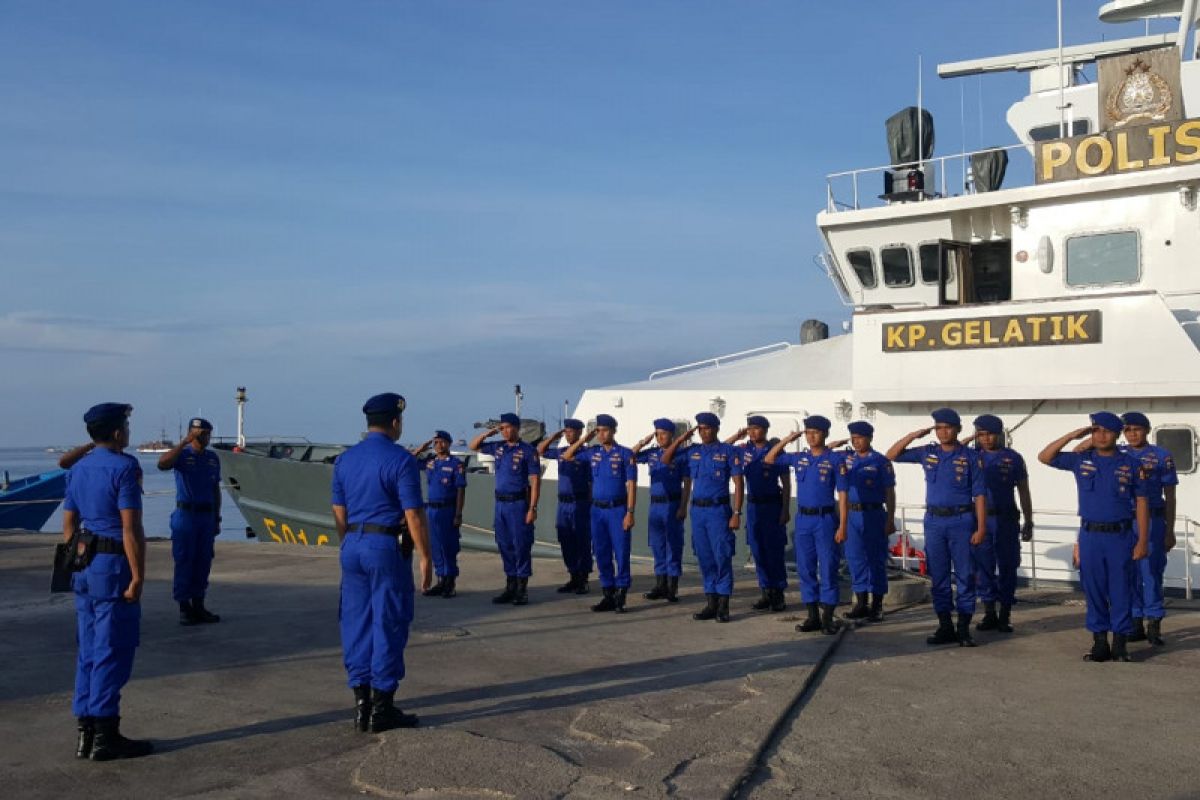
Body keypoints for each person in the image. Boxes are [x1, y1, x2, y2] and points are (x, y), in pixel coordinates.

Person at [332, 392, 432, 731]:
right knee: (388, 620)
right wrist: (426, 558)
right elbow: (413, 514)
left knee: (355, 621)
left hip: (353, 543)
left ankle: (361, 703)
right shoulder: (401, 460)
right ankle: (382, 706)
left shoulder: (345, 460)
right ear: (395, 422)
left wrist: (348, 542)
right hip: (384, 545)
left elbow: (338, 510)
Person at [62, 403, 152, 761]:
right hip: (114, 567)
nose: (128, 432)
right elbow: (130, 528)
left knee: (87, 650)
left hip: (85, 565)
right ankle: (105, 734)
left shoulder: (78, 468)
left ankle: (85, 731)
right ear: (117, 432)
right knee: (112, 651)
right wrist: (139, 576)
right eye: (126, 426)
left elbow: (69, 525)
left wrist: (74, 564)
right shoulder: (125, 468)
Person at [1040, 412, 1149, 662]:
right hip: (1090, 536)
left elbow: (1142, 503)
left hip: (1120, 536)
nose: (1100, 435)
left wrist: (1142, 540)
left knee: (1121, 590)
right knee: (1094, 590)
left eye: (1106, 431)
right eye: (1095, 430)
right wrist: (1072, 436)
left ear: (1117, 434)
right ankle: (1100, 643)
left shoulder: (1131, 465)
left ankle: (1120, 643)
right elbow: (1045, 457)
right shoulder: (1081, 460)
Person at [887, 408, 987, 647]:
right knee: (938, 575)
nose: (943, 432)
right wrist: (914, 436)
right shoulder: (927, 453)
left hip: (961, 521)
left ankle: (963, 629)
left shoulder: (971, 457)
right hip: (934, 522)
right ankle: (945, 626)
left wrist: (981, 527)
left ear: (958, 429)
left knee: (964, 576)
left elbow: (980, 495)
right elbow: (891, 454)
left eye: (947, 427)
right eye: (938, 427)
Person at [661, 412, 744, 623]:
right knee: (705, 558)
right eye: (700, 428)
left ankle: (724, 605)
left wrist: (736, 512)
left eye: (707, 428)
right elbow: (666, 458)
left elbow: (738, 483)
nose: (703, 432)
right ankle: (711, 603)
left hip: (718, 511)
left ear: (716, 429)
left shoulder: (728, 451)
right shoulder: (692, 452)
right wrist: (681, 438)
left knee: (721, 556)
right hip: (697, 512)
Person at [767, 416, 844, 631]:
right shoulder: (799, 457)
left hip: (825, 519)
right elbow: (770, 459)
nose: (811, 436)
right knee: (806, 568)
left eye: (815, 432)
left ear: (825, 434)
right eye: (807, 432)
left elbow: (843, 495)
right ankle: (812, 616)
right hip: (803, 520)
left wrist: (843, 525)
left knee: (828, 566)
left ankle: (827, 617)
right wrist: (788, 439)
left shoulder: (834, 460)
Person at [963, 415, 1034, 633]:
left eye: (990, 433)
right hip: (980, 520)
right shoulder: (971, 456)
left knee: (1007, 566)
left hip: (1006, 519)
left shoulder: (1013, 458)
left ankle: (1005, 614)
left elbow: (1023, 490)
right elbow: (954, 450)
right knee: (982, 567)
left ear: (999, 434)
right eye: (981, 434)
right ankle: (989, 613)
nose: (985, 438)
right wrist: (970, 438)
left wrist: (1029, 520)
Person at [561, 415, 637, 612]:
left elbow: (632, 485)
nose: (601, 434)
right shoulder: (592, 453)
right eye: (598, 431)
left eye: (605, 430)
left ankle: (621, 593)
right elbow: (567, 456)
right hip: (597, 510)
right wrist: (585, 438)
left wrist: (630, 512)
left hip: (617, 509)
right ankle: (608, 594)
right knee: (601, 552)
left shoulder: (625, 454)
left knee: (621, 553)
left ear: (613, 431)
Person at [469, 413, 541, 605]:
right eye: (502, 427)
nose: (505, 431)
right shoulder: (498, 447)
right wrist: (489, 433)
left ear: (517, 428)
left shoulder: (527, 451)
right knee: (504, 545)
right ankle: (510, 585)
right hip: (500, 504)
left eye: (508, 427)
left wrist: (532, 508)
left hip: (518, 504)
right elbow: (473, 446)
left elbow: (535, 481)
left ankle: (521, 588)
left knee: (521, 545)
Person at [1119, 413, 1178, 646]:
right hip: (1124, 522)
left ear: (1147, 430)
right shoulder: (1118, 455)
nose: (1132, 434)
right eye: (1127, 430)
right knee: (1129, 573)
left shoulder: (1161, 456)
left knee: (1150, 573)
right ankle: (1136, 622)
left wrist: (1169, 530)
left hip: (1153, 520)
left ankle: (1154, 622)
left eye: (1137, 429)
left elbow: (1171, 497)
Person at [157, 418, 223, 626]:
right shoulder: (182, 456)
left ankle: (199, 604)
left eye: (207, 433)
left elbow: (215, 489)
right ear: (191, 433)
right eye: (201, 433)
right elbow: (162, 464)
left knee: (203, 561)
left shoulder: (212, 458)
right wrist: (183, 443)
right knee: (185, 560)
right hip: (186, 516)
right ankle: (184, 607)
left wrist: (217, 517)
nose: (206, 437)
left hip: (206, 516)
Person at [834, 421, 896, 627]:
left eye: (859, 437)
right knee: (855, 559)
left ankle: (877, 606)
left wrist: (890, 519)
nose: (856, 441)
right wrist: (840, 443)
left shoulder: (880, 461)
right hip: (852, 514)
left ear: (869, 438)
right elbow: (827, 450)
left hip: (873, 513)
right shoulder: (846, 459)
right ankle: (861, 603)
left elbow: (889, 492)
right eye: (853, 438)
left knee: (875, 559)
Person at [729, 416, 791, 612]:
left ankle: (778, 594)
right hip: (753, 507)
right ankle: (766, 592)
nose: (752, 432)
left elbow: (786, 483)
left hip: (772, 507)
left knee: (774, 552)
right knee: (758, 551)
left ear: (765, 430)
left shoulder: (775, 450)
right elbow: (722, 447)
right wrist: (738, 434)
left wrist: (785, 509)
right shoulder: (744, 449)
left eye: (756, 429)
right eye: (750, 429)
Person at [632, 418, 692, 603]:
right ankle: (660, 585)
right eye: (657, 434)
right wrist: (644, 441)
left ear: (671, 435)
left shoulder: (681, 455)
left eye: (663, 434)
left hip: (672, 504)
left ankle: (672, 587)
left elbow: (687, 483)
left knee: (673, 546)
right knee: (657, 545)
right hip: (655, 505)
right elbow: (630, 456)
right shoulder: (651, 453)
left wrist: (683, 506)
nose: (659, 437)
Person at [537, 418, 594, 595]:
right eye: (566, 431)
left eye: (571, 431)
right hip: (563, 503)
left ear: (579, 433)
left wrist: (590, 506)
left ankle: (583, 578)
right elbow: (540, 451)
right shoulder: (561, 451)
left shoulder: (587, 454)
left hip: (580, 502)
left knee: (581, 540)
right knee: (565, 539)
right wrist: (553, 435)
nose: (567, 433)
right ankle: (573, 576)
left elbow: (592, 483)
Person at [410, 430, 467, 599]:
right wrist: (421, 448)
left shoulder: (456, 465)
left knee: (448, 546)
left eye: (442, 442)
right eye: (435, 442)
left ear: (448, 443)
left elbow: (460, 490)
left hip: (447, 509)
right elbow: (409, 460)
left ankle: (450, 582)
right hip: (431, 510)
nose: (438, 445)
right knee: (435, 546)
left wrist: (458, 514)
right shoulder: (430, 463)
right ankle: (441, 579)